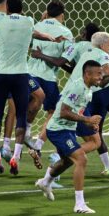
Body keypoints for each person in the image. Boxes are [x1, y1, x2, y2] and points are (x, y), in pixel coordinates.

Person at [32, 32, 109, 175]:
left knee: (90, 138)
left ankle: (53, 170)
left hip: (71, 97)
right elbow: (107, 72)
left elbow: (98, 77)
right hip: (75, 100)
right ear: (103, 44)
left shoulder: (87, 53)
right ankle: (59, 162)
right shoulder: (101, 55)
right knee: (94, 141)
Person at [0, 0, 63, 175]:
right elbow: (35, 33)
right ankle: (15, 158)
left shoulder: (0, 22)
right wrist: (51, 37)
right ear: (22, 9)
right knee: (21, 114)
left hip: (1, 73)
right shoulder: (28, 21)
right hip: (20, 75)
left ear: (7, 8)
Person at [28, 22, 100, 169]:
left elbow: (62, 62)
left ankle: (48, 153)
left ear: (85, 34)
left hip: (76, 94)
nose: (80, 32)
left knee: (63, 124)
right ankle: (58, 159)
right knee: (93, 140)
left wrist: (40, 55)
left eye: (82, 30)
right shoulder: (97, 51)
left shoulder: (78, 46)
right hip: (83, 96)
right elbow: (75, 69)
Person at [35, 60, 103, 214]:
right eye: (98, 73)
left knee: (67, 161)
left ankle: (45, 182)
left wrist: (89, 124)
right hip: (58, 129)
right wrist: (87, 119)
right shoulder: (77, 87)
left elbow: (77, 112)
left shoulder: (88, 90)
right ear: (87, 74)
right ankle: (79, 204)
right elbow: (63, 112)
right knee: (81, 159)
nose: (101, 76)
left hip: (68, 129)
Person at [26, 1, 74, 169]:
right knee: (54, 112)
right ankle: (38, 145)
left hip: (28, 73)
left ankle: (15, 149)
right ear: (62, 15)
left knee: (22, 108)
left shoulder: (37, 25)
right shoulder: (66, 32)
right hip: (48, 78)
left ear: (46, 12)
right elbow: (65, 60)